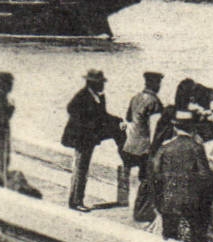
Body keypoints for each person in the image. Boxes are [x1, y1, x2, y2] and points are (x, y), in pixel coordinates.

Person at [151, 109, 213, 242]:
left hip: (169, 201)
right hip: (191, 201)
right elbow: (205, 176)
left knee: (169, 236)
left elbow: (155, 175)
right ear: (193, 128)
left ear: (175, 127)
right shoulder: (197, 148)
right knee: (196, 239)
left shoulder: (165, 148)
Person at [60, 68, 121, 211]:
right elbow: (71, 109)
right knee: (80, 169)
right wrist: (86, 124)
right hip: (82, 138)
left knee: (82, 168)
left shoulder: (98, 97)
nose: (103, 85)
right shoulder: (83, 96)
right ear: (92, 83)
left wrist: (118, 121)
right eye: (100, 83)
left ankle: (76, 200)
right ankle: (76, 201)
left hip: (89, 138)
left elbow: (103, 116)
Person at [119, 71, 164, 208]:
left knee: (127, 168)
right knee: (146, 176)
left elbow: (128, 118)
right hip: (144, 146)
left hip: (130, 142)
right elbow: (156, 125)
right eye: (159, 84)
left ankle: (122, 199)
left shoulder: (135, 97)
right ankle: (142, 204)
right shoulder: (154, 101)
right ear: (155, 84)